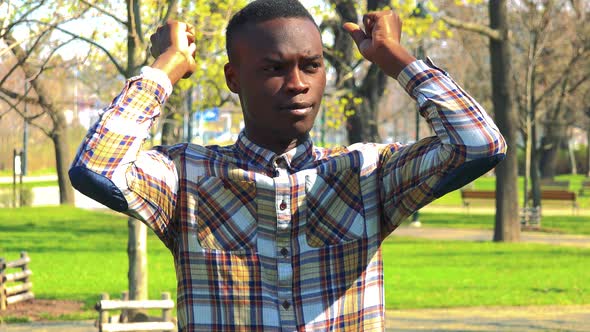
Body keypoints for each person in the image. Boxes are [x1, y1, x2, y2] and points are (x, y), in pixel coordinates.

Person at [70, 0, 506, 330]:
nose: (298, 84)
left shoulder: (367, 175)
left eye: (311, 66)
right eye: (274, 68)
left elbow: (479, 143)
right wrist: (166, 66)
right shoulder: (188, 178)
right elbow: (96, 166)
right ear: (234, 79)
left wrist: (396, 59)